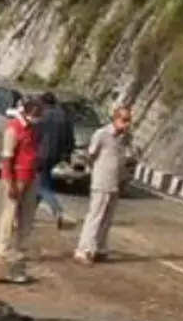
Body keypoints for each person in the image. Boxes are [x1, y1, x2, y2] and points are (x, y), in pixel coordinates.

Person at [75, 105, 133, 264]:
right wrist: (97, 170)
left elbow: (127, 157)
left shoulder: (126, 138)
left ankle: (100, 247)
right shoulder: (102, 134)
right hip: (101, 180)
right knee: (95, 215)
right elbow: (91, 155)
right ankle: (84, 249)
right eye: (124, 120)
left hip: (115, 181)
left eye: (129, 121)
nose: (126, 124)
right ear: (115, 119)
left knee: (108, 217)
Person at [0, 95, 43, 282]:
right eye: (35, 114)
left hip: (30, 176)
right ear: (27, 112)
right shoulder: (14, 129)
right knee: (10, 213)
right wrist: (9, 183)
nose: (37, 117)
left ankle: (21, 246)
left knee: (27, 215)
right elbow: (7, 158)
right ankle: (4, 247)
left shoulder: (32, 129)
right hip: (17, 177)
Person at [33, 92, 76, 228]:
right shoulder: (64, 117)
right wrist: (66, 155)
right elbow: (70, 139)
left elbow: (35, 136)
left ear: (44, 103)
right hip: (55, 156)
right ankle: (29, 214)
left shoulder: (42, 116)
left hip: (40, 155)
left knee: (42, 186)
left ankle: (57, 210)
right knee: (41, 182)